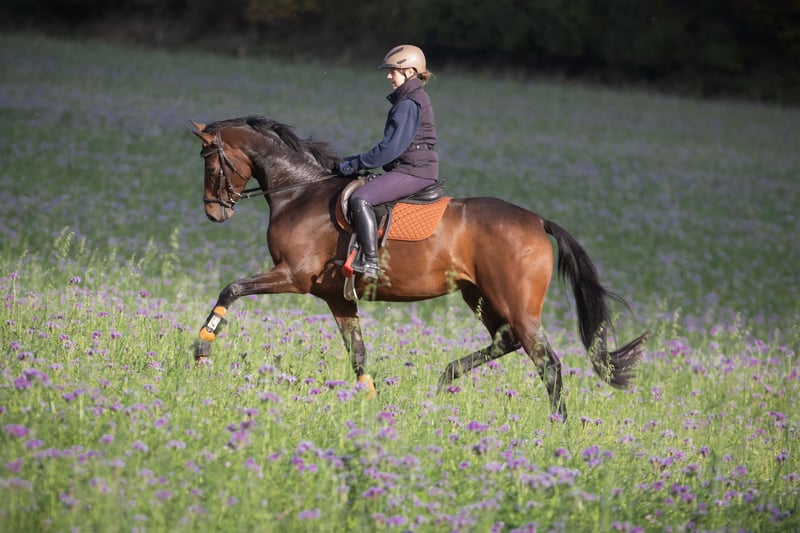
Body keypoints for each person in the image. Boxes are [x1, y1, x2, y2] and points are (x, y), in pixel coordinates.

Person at [337, 44, 438, 280]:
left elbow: (389, 150)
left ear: (410, 72)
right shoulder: (412, 98)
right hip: (412, 168)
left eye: (393, 71)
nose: (388, 76)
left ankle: (371, 262)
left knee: (360, 198)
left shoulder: (408, 104)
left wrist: (356, 163)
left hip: (413, 171)